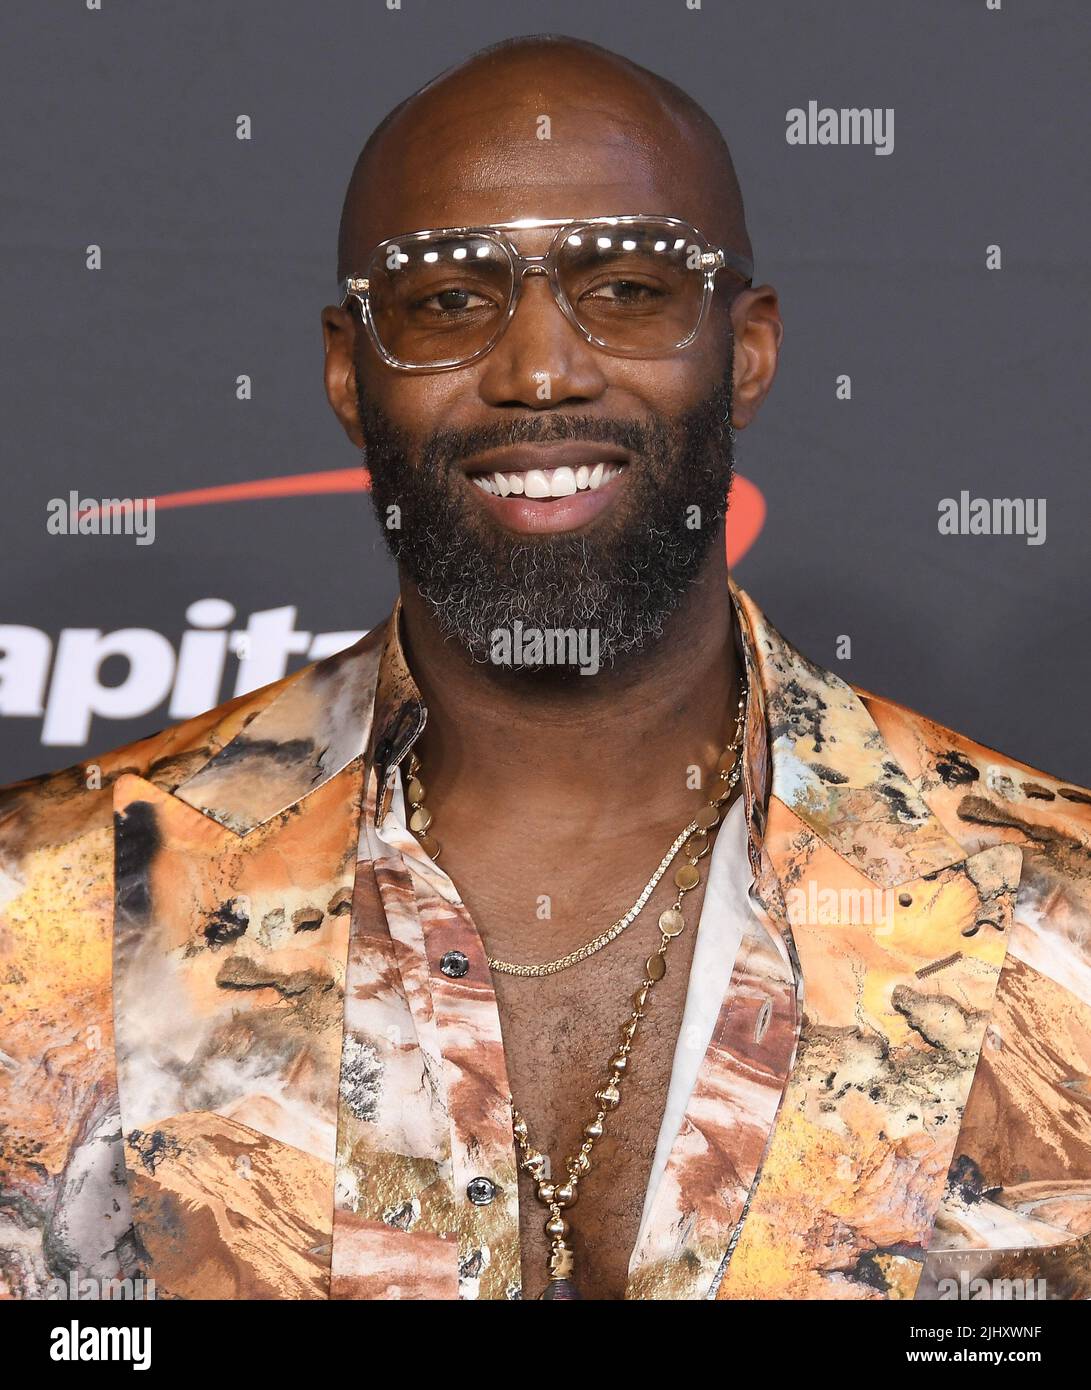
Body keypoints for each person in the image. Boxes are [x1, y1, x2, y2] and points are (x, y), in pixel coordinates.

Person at [1, 34, 1089, 1303]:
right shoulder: (52, 910)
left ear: (746, 348)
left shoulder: (1047, 916)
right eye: (447, 299)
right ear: (349, 372)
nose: (537, 370)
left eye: (627, 287)